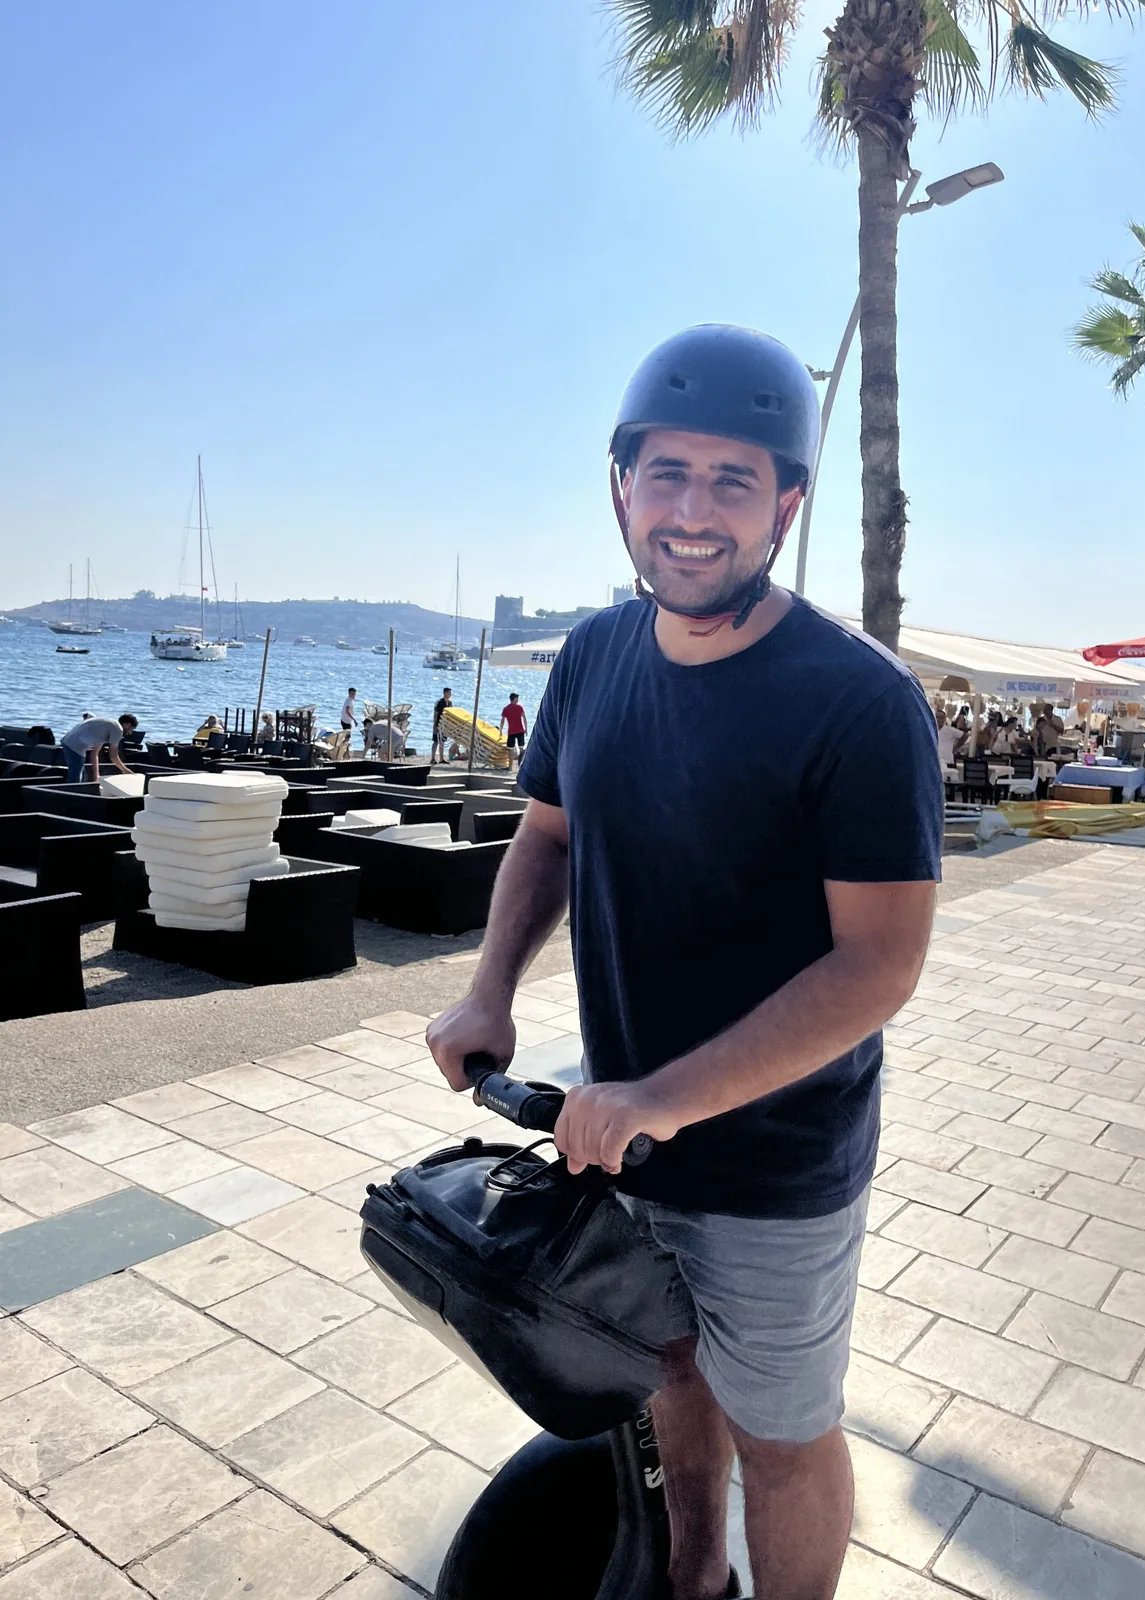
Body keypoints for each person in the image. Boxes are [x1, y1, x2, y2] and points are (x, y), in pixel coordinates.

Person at [426, 324, 942, 1600]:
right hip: (621, 1136)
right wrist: (490, 987)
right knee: (663, 1383)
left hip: (777, 1165)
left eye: (732, 480)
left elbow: (876, 966)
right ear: (621, 485)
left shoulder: (859, 702)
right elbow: (545, 832)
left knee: (782, 1431)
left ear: (787, 503)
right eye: (667, 474)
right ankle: (692, 1582)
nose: (694, 513)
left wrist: (665, 1097)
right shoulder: (595, 657)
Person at [60, 715, 138, 784]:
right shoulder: (118, 730)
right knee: (75, 779)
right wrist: (124, 770)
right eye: (132, 729)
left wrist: (96, 776)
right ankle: (70, 797)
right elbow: (113, 756)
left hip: (68, 740)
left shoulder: (107, 726)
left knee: (81, 775)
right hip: (75, 745)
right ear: (127, 724)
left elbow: (94, 754)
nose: (130, 733)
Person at [499, 692, 527, 765]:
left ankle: (511, 766)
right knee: (520, 748)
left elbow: (502, 720)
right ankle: (520, 765)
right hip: (518, 731)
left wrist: (501, 730)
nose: (518, 700)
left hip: (513, 731)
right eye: (517, 698)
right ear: (514, 699)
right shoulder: (519, 707)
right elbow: (524, 718)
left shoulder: (506, 708)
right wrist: (526, 729)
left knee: (512, 749)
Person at [432, 687, 452, 763]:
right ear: (445, 693)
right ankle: (433, 758)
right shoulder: (439, 702)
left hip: (445, 725)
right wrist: (435, 725)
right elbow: (435, 714)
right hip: (438, 724)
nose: (450, 694)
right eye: (449, 693)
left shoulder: (450, 703)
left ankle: (441, 758)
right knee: (435, 741)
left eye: (450, 693)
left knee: (442, 741)